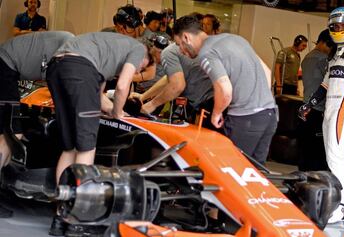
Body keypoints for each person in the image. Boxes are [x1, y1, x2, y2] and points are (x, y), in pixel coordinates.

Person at [46, 33, 152, 236]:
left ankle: (60, 214)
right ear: (145, 57)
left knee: (70, 148)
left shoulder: (105, 52)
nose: (138, 70)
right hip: (79, 70)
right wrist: (119, 114)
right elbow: (123, 86)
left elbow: (97, 96)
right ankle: (77, 218)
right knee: (87, 147)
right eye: (141, 68)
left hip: (56, 69)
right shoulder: (138, 49)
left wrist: (112, 110)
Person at [298, 7, 344, 223]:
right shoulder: (338, 53)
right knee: (331, 156)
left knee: (337, 157)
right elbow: (325, 85)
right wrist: (309, 104)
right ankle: (335, 202)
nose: (338, 28)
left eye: (342, 25)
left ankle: (339, 206)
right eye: (335, 25)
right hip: (329, 111)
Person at [172, 15, 277, 164]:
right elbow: (267, 72)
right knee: (254, 174)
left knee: (227, 168)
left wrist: (216, 114)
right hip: (269, 115)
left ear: (186, 37)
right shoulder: (236, 39)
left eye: (179, 44)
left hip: (245, 119)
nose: (181, 51)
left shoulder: (206, 53)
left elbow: (224, 89)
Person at [0, 31, 74, 218]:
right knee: (11, 134)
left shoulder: (67, 43)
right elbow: (57, 81)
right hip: (4, 66)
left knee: (8, 133)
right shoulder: (68, 47)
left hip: (7, 66)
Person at [131, 36, 214, 125]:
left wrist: (152, 105)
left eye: (152, 60)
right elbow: (167, 79)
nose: (153, 63)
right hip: (206, 99)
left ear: (158, 51)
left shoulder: (167, 53)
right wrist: (143, 96)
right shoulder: (174, 51)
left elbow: (177, 86)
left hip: (209, 101)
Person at [297, 29, 335, 171]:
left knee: (305, 149)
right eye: (330, 47)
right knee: (316, 150)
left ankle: (303, 178)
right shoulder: (322, 59)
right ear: (325, 43)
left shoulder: (308, 57)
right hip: (317, 108)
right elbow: (331, 81)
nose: (330, 51)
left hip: (306, 106)